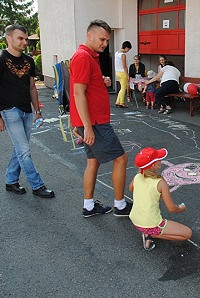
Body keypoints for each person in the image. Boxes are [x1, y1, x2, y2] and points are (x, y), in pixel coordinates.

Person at [70, 19, 132, 217]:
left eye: (107, 40)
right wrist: (86, 127)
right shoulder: (82, 57)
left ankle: (88, 206)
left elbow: (87, 87)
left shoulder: (90, 56)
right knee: (121, 159)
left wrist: (101, 81)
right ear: (90, 35)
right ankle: (120, 205)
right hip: (95, 123)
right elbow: (78, 93)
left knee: (93, 162)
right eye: (102, 39)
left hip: (92, 121)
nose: (105, 43)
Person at [0, 24, 55, 199]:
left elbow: (32, 87)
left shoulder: (29, 61)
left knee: (20, 148)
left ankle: (10, 180)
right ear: (9, 38)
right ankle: (37, 185)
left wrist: (37, 111)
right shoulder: (1, 59)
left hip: (26, 111)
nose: (25, 42)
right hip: (9, 111)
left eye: (25, 38)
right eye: (20, 38)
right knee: (24, 151)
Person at [129, 147, 192, 251]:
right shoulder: (160, 183)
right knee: (187, 234)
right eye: (159, 159)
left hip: (135, 220)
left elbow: (131, 188)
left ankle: (148, 232)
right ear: (154, 165)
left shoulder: (137, 177)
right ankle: (151, 234)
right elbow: (172, 208)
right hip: (151, 224)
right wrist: (182, 208)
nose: (161, 161)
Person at [114, 40, 132, 108]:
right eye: (129, 49)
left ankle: (117, 101)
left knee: (121, 88)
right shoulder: (123, 55)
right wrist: (127, 75)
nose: (128, 51)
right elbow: (124, 66)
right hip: (122, 72)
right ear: (126, 47)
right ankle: (121, 102)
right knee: (123, 88)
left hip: (117, 71)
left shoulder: (117, 53)